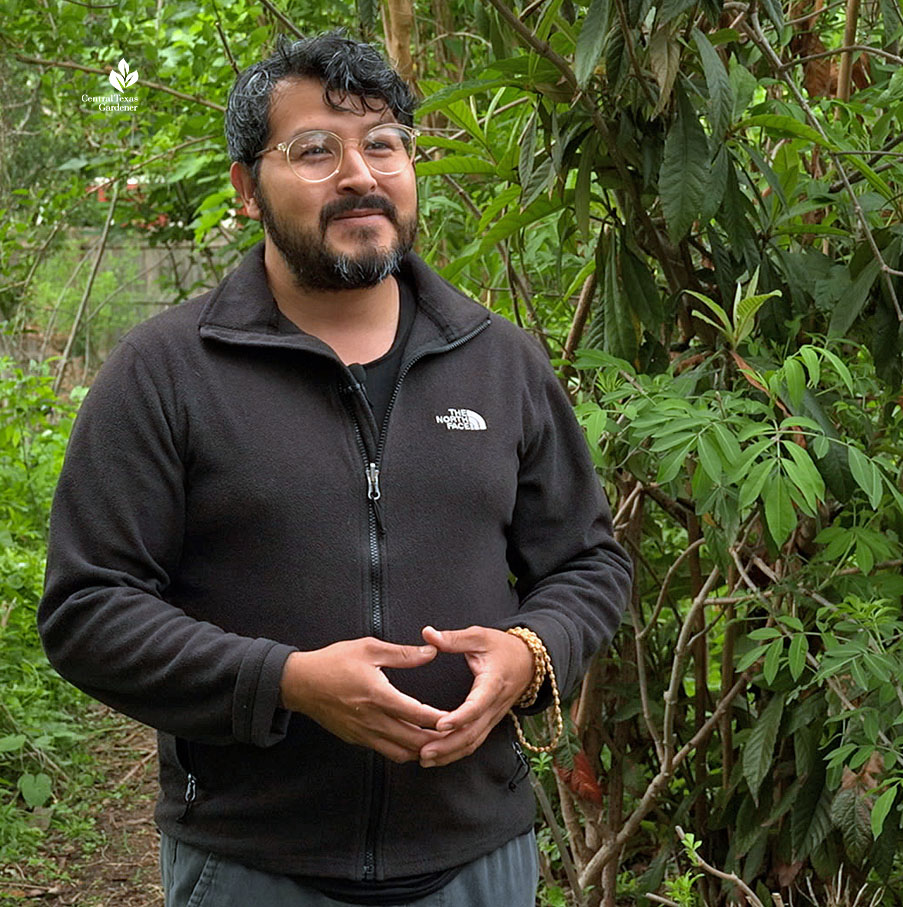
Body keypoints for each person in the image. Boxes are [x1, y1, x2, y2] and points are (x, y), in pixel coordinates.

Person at [38, 30, 631, 907]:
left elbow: (588, 561)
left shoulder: (498, 362)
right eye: (315, 149)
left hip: (478, 858)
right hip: (253, 865)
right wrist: (285, 681)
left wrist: (530, 653)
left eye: (383, 143)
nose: (360, 173)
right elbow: (89, 607)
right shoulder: (166, 371)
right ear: (247, 188)